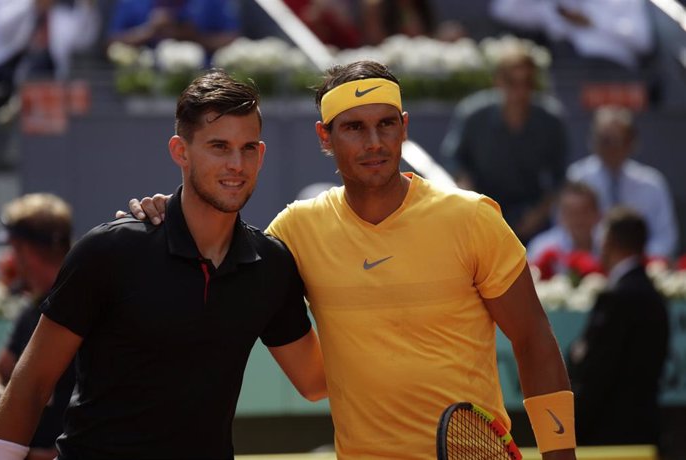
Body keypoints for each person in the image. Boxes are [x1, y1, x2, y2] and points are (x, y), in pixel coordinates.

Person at [127, 60, 577, 459]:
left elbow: (534, 339)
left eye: (386, 124)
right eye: (354, 128)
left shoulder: (472, 216)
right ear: (325, 135)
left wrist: (561, 458)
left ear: (404, 126)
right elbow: (310, 380)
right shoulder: (296, 230)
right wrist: (171, 214)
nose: (374, 142)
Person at [0, 69, 326, 460]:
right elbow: (31, 383)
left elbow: (315, 382)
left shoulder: (271, 265)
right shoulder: (109, 249)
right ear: (180, 151)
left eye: (248, 147)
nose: (236, 164)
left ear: (261, 153)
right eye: (219, 146)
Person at [439, 45, 568, 245]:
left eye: (527, 82)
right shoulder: (473, 114)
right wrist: (471, 200)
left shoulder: (551, 120)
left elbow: (560, 177)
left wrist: (538, 215)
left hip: (532, 219)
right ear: (498, 81)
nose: (520, 90)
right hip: (480, 212)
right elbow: (453, 160)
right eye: (512, 82)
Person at [568, 206, 669, 446]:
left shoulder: (618, 298)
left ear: (609, 242)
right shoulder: (653, 296)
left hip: (609, 436)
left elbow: (596, 370)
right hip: (644, 431)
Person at [0, 193, 75, 460]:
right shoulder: (29, 311)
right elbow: (2, 370)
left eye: (12, 247)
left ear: (24, 250)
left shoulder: (88, 305)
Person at [566, 105, 678, 259]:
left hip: (640, 271)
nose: (610, 147)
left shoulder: (652, 183)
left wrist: (633, 263)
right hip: (588, 269)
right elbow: (565, 231)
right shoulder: (577, 177)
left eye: (616, 140)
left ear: (631, 142)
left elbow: (665, 238)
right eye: (604, 140)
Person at [489, 0, 654, 69]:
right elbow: (504, 10)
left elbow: (643, 41)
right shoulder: (557, 4)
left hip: (612, 69)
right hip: (566, 68)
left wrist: (591, 22)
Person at [527, 180, 603, 280]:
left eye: (584, 212)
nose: (578, 219)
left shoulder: (609, 244)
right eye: (571, 213)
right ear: (560, 216)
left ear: (598, 214)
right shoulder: (541, 247)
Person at [107, 0, 240, 54]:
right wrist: (148, 31)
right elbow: (110, 43)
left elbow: (233, 39)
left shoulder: (210, 2)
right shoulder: (133, 3)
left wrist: (196, 37)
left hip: (204, 82)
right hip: (140, 86)